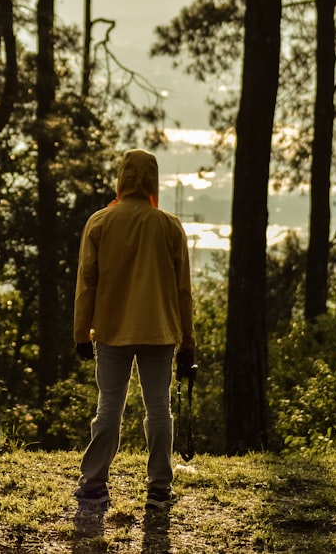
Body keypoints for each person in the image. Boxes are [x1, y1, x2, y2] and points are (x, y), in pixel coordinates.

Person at [72, 148, 196, 510]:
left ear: (122, 178)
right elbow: (183, 290)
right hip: (160, 331)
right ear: (154, 181)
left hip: (111, 330)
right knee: (158, 409)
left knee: (109, 406)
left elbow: (86, 283)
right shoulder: (170, 226)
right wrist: (188, 341)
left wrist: (82, 333)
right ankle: (159, 488)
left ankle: (94, 485)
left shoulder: (99, 222)